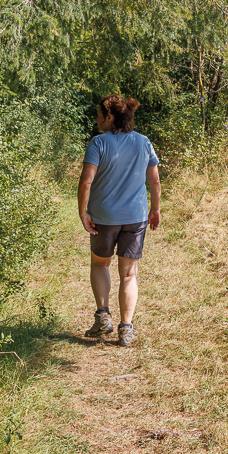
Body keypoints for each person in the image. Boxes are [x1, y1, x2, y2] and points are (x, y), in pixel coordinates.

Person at [77, 95, 161, 347]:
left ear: (109, 117)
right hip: (135, 217)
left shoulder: (98, 143)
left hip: (104, 217)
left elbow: (86, 181)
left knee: (100, 264)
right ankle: (126, 329)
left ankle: (103, 316)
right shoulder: (144, 142)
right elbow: (155, 181)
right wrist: (155, 209)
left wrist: (83, 212)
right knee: (129, 274)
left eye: (99, 115)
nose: (96, 119)